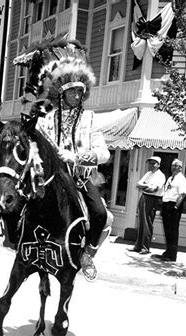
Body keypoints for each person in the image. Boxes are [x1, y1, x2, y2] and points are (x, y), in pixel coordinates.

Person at [21, 39, 113, 282]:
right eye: (72, 90)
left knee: (102, 215)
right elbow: (35, 145)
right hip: (51, 177)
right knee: (22, 201)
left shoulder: (91, 118)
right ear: (62, 93)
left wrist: (79, 157)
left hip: (79, 179)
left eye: (80, 91)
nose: (77, 94)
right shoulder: (46, 119)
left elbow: (104, 153)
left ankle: (87, 255)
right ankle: (20, 243)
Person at [151, 159, 186, 262]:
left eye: (176, 165)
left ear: (181, 168)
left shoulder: (182, 179)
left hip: (174, 206)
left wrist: (176, 207)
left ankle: (172, 255)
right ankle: (168, 252)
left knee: (173, 231)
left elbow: (182, 194)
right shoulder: (171, 178)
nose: (174, 167)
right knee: (167, 230)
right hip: (166, 205)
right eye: (172, 165)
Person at [128, 156, 166, 255]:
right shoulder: (148, 174)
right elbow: (138, 185)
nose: (151, 165)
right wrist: (147, 186)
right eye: (150, 163)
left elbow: (154, 190)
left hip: (153, 200)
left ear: (158, 165)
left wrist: (144, 186)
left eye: (154, 163)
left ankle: (145, 247)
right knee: (141, 221)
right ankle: (138, 246)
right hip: (144, 197)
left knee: (147, 222)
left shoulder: (161, 176)